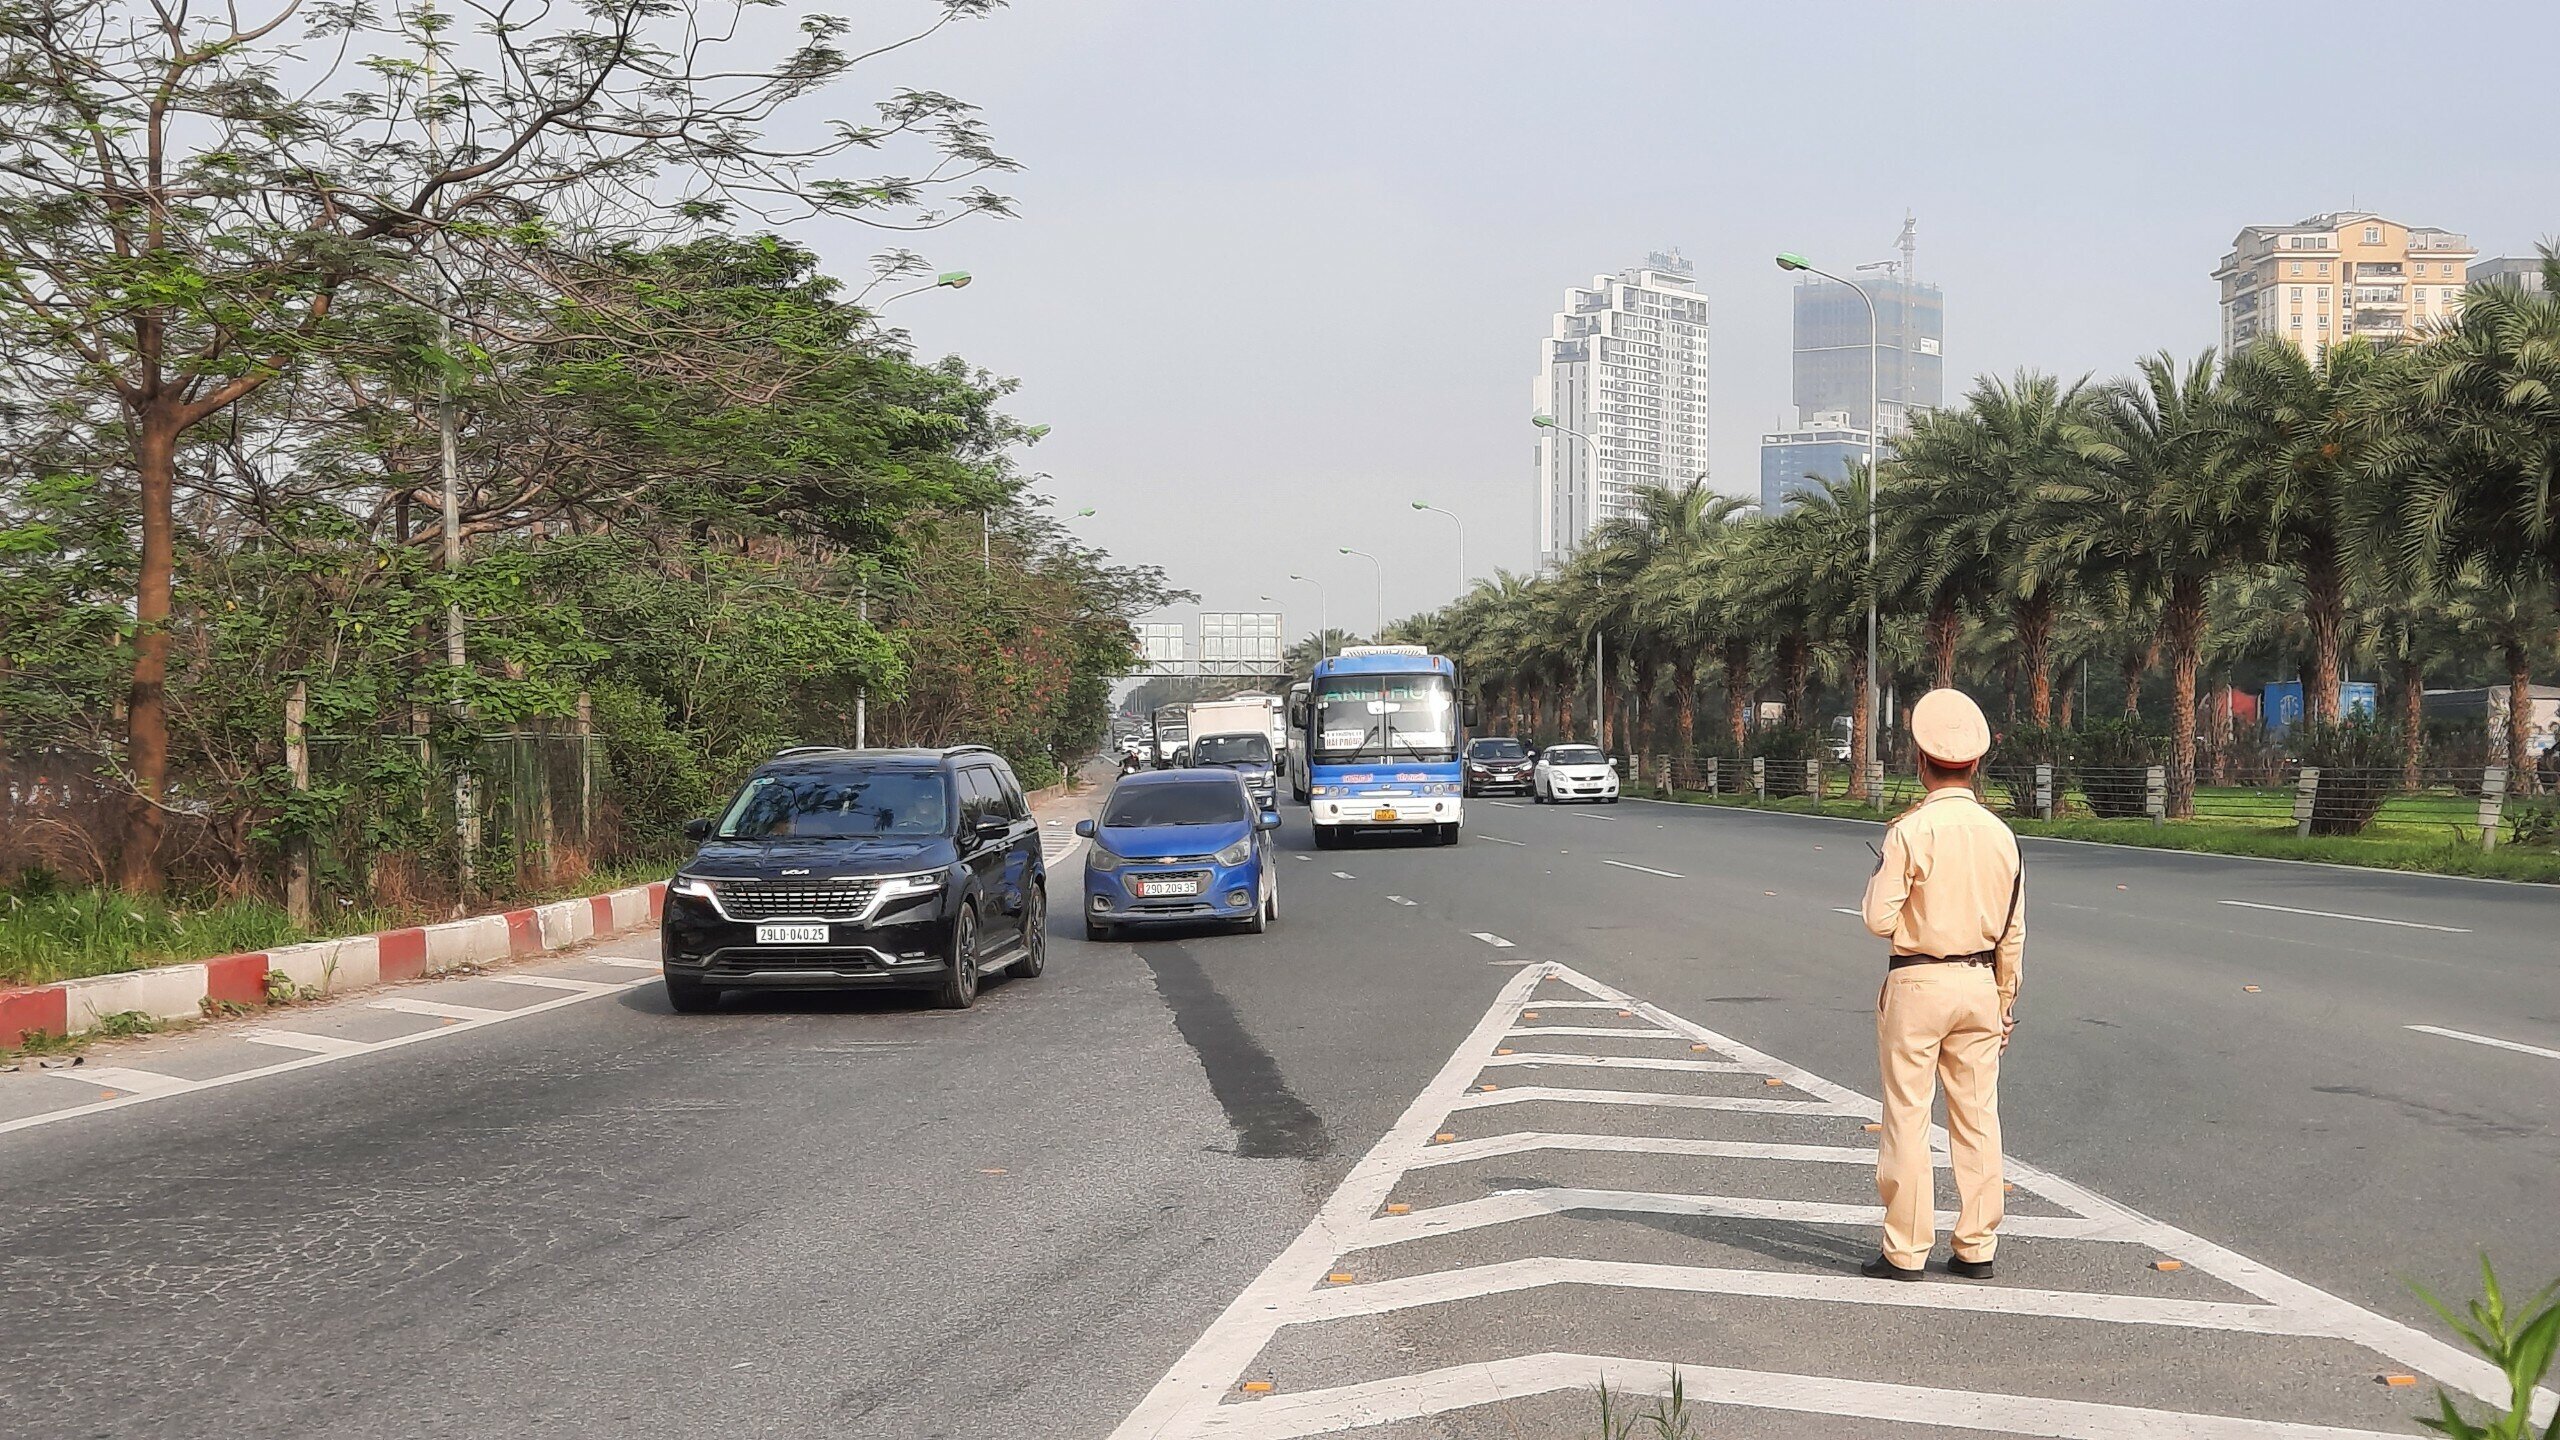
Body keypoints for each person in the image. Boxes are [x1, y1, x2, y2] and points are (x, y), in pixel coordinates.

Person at [1857, 687, 2024, 1282]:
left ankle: (1905, 1250)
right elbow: (2013, 930)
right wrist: (2005, 1003)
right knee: (1978, 1116)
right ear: (1976, 763)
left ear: (1920, 761)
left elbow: (1878, 919)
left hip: (1919, 984)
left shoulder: (1910, 832)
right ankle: (1976, 1246)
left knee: (1907, 1112)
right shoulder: (2002, 835)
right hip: (1980, 981)